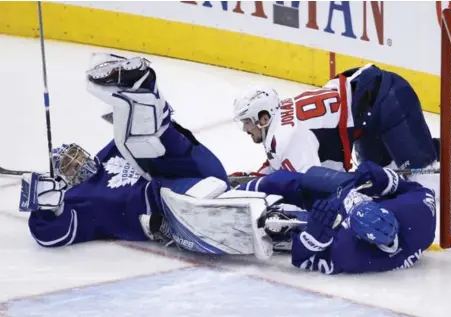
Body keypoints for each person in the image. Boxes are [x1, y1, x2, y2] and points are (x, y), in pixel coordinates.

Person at [19, 53, 276, 259]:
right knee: (166, 186)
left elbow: (148, 148)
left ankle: (143, 91)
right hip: (168, 206)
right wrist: (47, 208)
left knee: (144, 141)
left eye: (75, 155)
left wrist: (124, 119)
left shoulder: (108, 152)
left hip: (194, 166)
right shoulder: (78, 198)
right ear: (66, 180)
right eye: (69, 166)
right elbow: (49, 234)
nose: (76, 163)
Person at [231, 64, 446, 194]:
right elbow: (289, 172)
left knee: (427, 183)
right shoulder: (280, 123)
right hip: (365, 118)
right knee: (382, 181)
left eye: (247, 122)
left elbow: (312, 184)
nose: (244, 129)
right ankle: (441, 149)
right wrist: (250, 181)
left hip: (389, 100)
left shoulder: (286, 135)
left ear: (263, 117)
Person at [245, 160, 437, 273]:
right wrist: (383, 179)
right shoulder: (419, 213)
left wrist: (314, 237)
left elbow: (302, 260)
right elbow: (415, 188)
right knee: (292, 180)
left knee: (282, 224)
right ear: (388, 212)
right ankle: (242, 189)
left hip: (334, 221)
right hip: (353, 188)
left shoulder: (354, 255)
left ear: (361, 237)